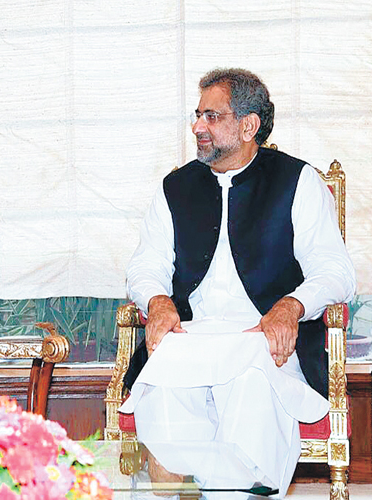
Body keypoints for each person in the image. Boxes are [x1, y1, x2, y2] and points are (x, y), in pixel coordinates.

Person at [118, 68, 355, 495]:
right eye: (198, 115)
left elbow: (335, 271)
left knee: (251, 388)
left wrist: (291, 307)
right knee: (166, 388)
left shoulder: (297, 182)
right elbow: (146, 263)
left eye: (212, 116)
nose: (198, 127)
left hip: (262, 340)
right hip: (190, 337)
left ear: (248, 126)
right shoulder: (175, 187)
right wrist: (157, 300)